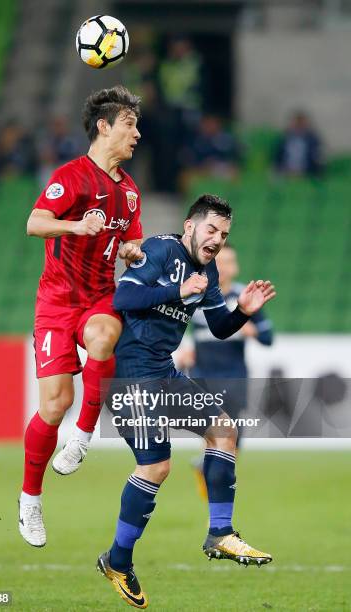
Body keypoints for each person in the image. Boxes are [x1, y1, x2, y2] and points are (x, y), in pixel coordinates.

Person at [97, 195, 276, 609]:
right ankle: (118, 560)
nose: (216, 239)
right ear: (190, 226)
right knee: (157, 466)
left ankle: (220, 532)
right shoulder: (161, 249)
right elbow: (122, 300)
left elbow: (218, 326)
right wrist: (178, 289)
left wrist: (243, 311)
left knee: (223, 428)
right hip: (133, 376)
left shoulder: (208, 269)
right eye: (211, 230)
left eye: (224, 234)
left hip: (164, 373)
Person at [18, 85, 144, 547]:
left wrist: (132, 251)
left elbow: (132, 240)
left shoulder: (129, 192)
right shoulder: (70, 177)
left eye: (137, 127)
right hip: (55, 302)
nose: (136, 136)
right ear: (104, 126)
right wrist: (75, 224)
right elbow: (34, 222)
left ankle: (85, 435)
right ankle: (30, 499)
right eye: (129, 125)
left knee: (104, 337)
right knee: (53, 404)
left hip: (99, 296)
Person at [176, 243, 273, 498]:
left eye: (229, 261)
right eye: (220, 262)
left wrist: (251, 330)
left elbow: (268, 337)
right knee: (214, 431)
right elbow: (181, 329)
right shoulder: (197, 295)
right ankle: (215, 484)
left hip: (234, 374)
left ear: (236, 266)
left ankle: (208, 470)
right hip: (203, 375)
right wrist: (185, 351)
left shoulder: (246, 296)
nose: (225, 267)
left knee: (236, 434)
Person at [273, 110, 324, 177]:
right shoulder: (284, 139)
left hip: (305, 173)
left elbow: (317, 159)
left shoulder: (313, 140)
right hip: (286, 172)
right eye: (297, 123)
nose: (298, 126)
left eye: (301, 123)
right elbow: (278, 158)